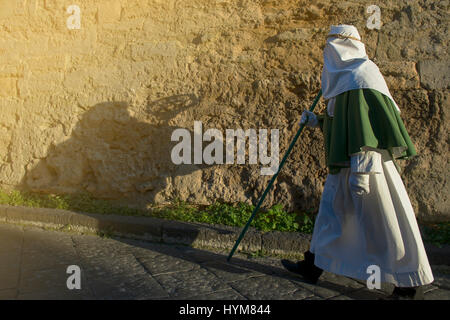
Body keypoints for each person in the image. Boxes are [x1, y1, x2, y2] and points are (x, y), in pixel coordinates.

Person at [281, 25, 434, 300]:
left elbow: (368, 126)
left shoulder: (362, 75)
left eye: (330, 47)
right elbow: (345, 123)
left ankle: (408, 284)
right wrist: (319, 121)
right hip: (345, 165)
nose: (327, 54)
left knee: (383, 223)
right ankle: (311, 266)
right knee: (329, 218)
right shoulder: (342, 80)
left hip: (369, 167)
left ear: (340, 47)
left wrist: (362, 170)